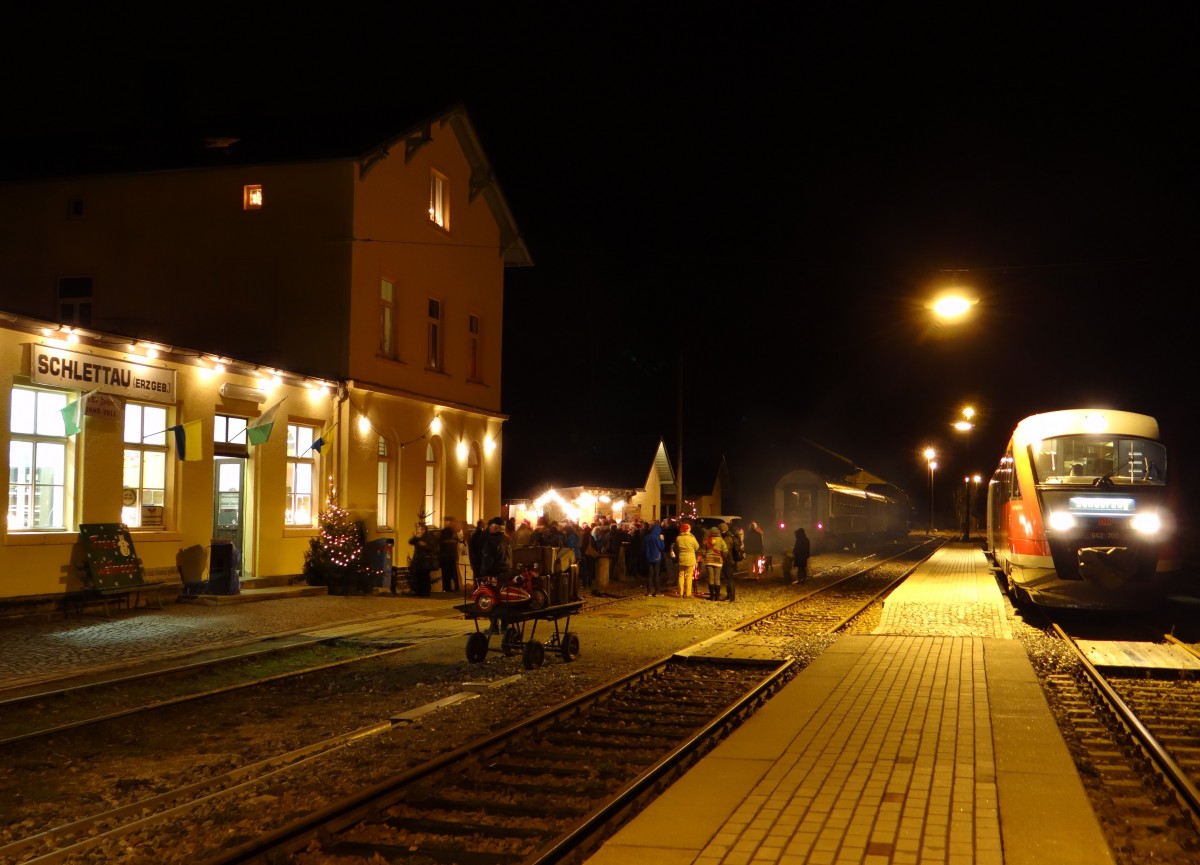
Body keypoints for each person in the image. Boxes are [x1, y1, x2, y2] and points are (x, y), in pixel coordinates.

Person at [407, 523, 437, 597]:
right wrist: (416, 537)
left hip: (426, 560)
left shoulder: (429, 537)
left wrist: (424, 545)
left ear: (424, 530)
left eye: (420, 529)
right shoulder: (418, 537)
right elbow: (410, 541)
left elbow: (432, 547)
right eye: (418, 529)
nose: (419, 531)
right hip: (418, 560)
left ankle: (426, 592)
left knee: (425, 577)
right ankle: (419, 591)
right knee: (418, 576)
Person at [672, 522, 700, 598]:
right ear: (689, 529)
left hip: (681, 558)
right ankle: (688, 594)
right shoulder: (692, 538)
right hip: (690, 558)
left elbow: (677, 547)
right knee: (689, 576)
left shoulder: (678, 538)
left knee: (681, 576)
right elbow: (697, 547)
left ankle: (680, 593)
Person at [702, 526, 728, 601]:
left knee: (711, 578)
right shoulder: (721, 540)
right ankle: (717, 596)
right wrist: (723, 556)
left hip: (709, 560)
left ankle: (712, 596)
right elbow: (725, 550)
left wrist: (705, 556)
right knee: (717, 578)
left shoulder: (707, 540)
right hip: (718, 560)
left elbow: (703, 551)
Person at [719, 521, 741, 601]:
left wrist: (722, 558)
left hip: (728, 560)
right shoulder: (728, 536)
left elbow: (725, 550)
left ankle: (731, 596)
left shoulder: (727, 538)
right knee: (728, 578)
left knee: (729, 578)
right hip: (729, 560)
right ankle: (730, 595)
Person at [438, 517, 460, 592]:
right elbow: (441, 541)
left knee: (450, 572)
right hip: (446, 556)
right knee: (446, 573)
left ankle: (449, 587)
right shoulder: (445, 531)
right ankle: (446, 588)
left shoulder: (452, 531)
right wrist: (450, 541)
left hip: (451, 556)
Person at [643, 520, 665, 597]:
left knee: (650, 574)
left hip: (649, 557)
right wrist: (662, 540)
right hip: (657, 557)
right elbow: (661, 547)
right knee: (656, 574)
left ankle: (649, 591)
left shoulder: (647, 537)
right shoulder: (657, 537)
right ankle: (657, 591)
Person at [579, 523, 600, 589]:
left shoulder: (582, 537)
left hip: (584, 555)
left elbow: (581, 547)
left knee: (584, 570)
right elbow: (596, 546)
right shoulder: (592, 537)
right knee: (590, 569)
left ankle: (584, 584)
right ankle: (590, 583)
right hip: (591, 555)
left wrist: (582, 555)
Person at [468, 519, 486, 586]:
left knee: (476, 574)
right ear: (481, 524)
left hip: (475, 557)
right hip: (479, 557)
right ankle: (478, 588)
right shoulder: (479, 533)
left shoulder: (474, 533)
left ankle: (477, 588)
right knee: (479, 575)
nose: (485, 524)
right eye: (484, 523)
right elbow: (480, 546)